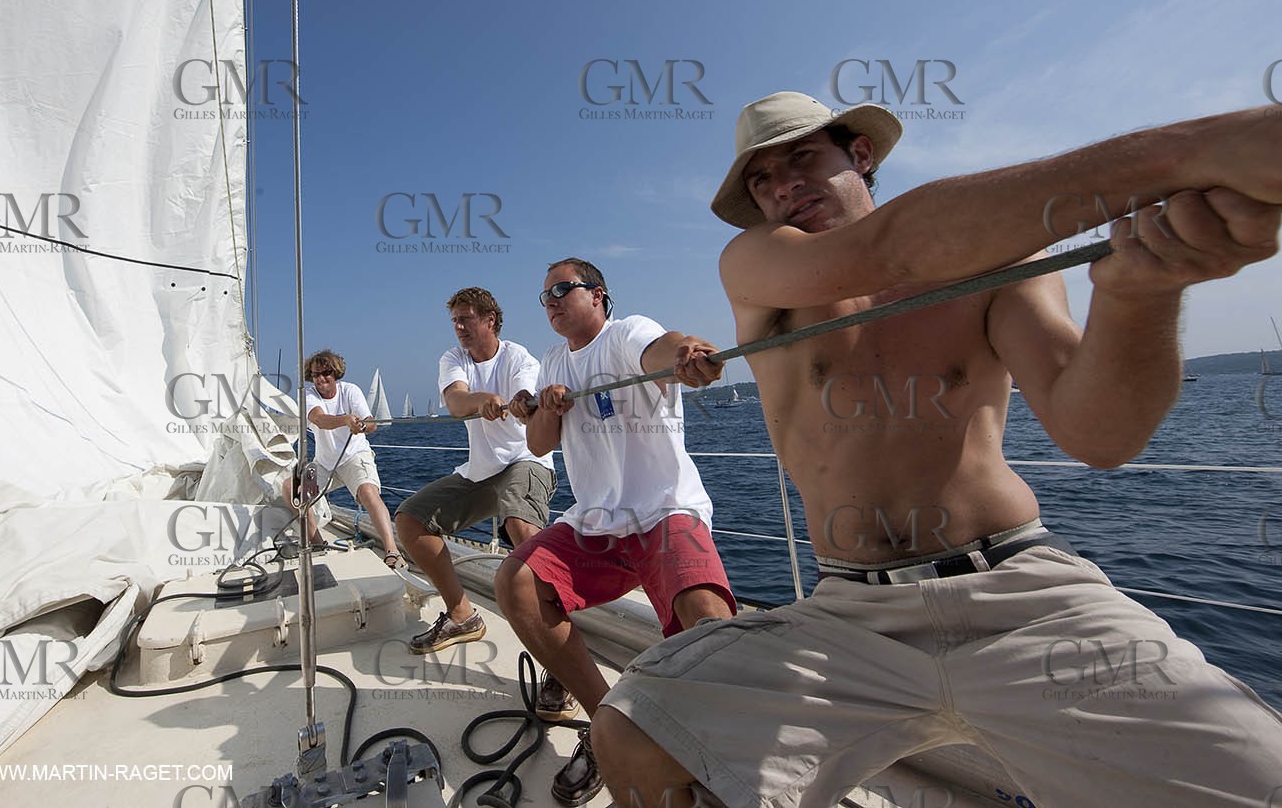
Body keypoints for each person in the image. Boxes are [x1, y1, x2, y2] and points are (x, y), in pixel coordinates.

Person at [595, 91, 1282, 808]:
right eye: (761, 179)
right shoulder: (757, 269)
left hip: (1024, 594)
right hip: (847, 616)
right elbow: (884, 249)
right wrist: (1189, 154)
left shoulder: (1000, 258)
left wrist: (1140, 292)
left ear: (861, 154)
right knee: (635, 732)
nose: (782, 185)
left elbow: (1100, 435)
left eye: (803, 157)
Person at [496, 258, 738, 807]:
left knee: (709, 623)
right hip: (598, 522)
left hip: (664, 512)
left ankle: (718, 757)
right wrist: (544, 408)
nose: (552, 300)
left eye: (562, 288)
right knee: (516, 583)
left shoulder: (628, 334)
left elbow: (664, 349)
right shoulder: (554, 360)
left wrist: (684, 355)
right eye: (545, 295)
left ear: (598, 294)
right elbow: (537, 446)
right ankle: (605, 723)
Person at [395, 289, 560, 670]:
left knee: (519, 524)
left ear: (490, 320)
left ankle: (558, 657)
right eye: (455, 320)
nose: (459, 327)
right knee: (410, 520)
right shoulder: (453, 359)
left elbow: (526, 395)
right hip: (481, 471)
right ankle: (462, 615)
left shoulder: (519, 357)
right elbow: (456, 401)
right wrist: (481, 399)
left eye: (466, 318)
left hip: (525, 461)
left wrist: (518, 401)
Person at [285, 349, 402, 567]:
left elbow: (372, 423)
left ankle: (392, 550)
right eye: (315, 374)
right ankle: (318, 543)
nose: (321, 379)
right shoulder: (308, 395)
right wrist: (346, 420)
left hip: (354, 455)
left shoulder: (351, 391)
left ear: (336, 373)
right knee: (292, 488)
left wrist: (363, 426)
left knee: (368, 492)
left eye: (326, 372)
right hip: (325, 462)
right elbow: (319, 419)